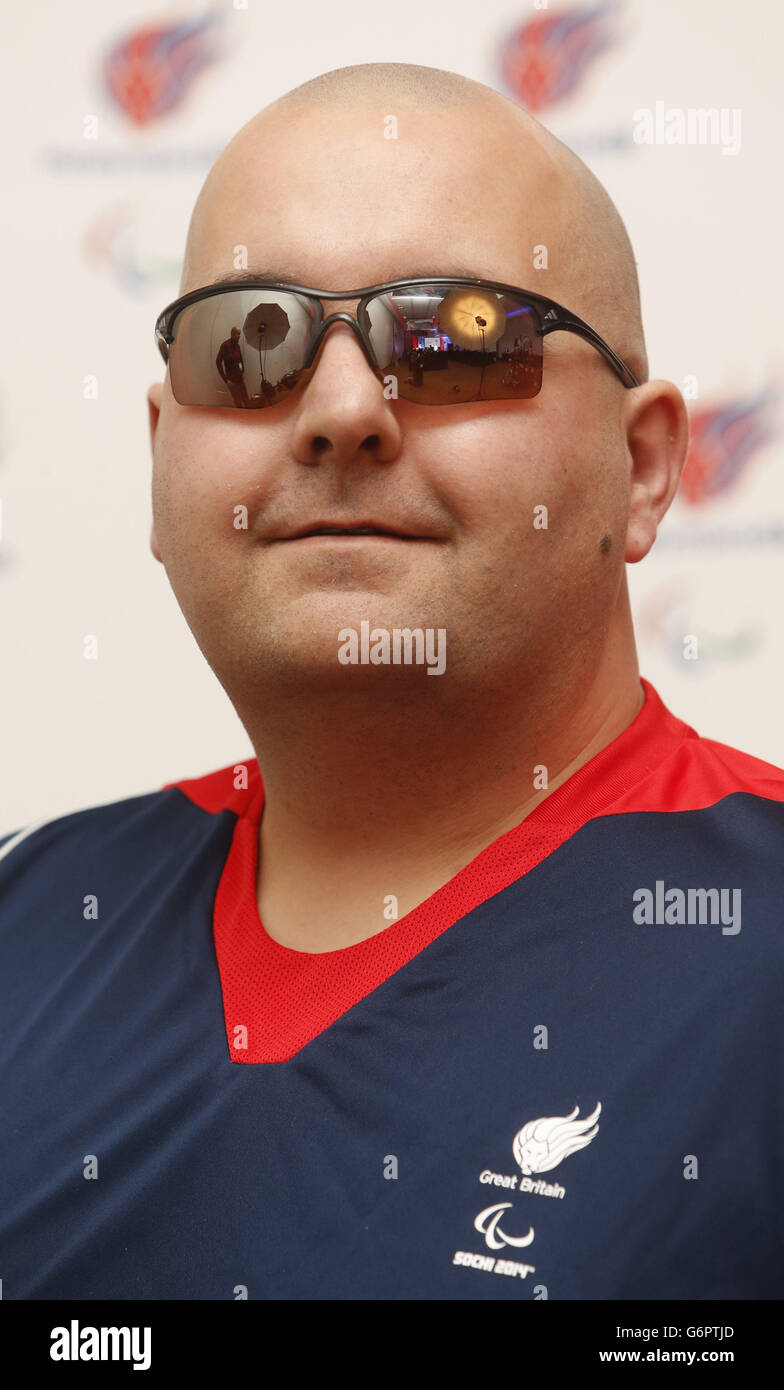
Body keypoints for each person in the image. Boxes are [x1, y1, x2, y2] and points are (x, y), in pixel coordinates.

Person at [1, 61, 782, 1302]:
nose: (340, 408)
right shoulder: (28, 915)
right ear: (162, 458)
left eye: (453, 336)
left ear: (641, 469)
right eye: (246, 345)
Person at [215, 325, 250, 406]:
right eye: (237, 334)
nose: (239, 336)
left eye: (239, 334)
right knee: (238, 402)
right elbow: (218, 362)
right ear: (232, 334)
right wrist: (226, 380)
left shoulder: (237, 346)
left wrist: (242, 371)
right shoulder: (225, 345)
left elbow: (240, 361)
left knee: (246, 400)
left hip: (240, 379)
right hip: (232, 381)